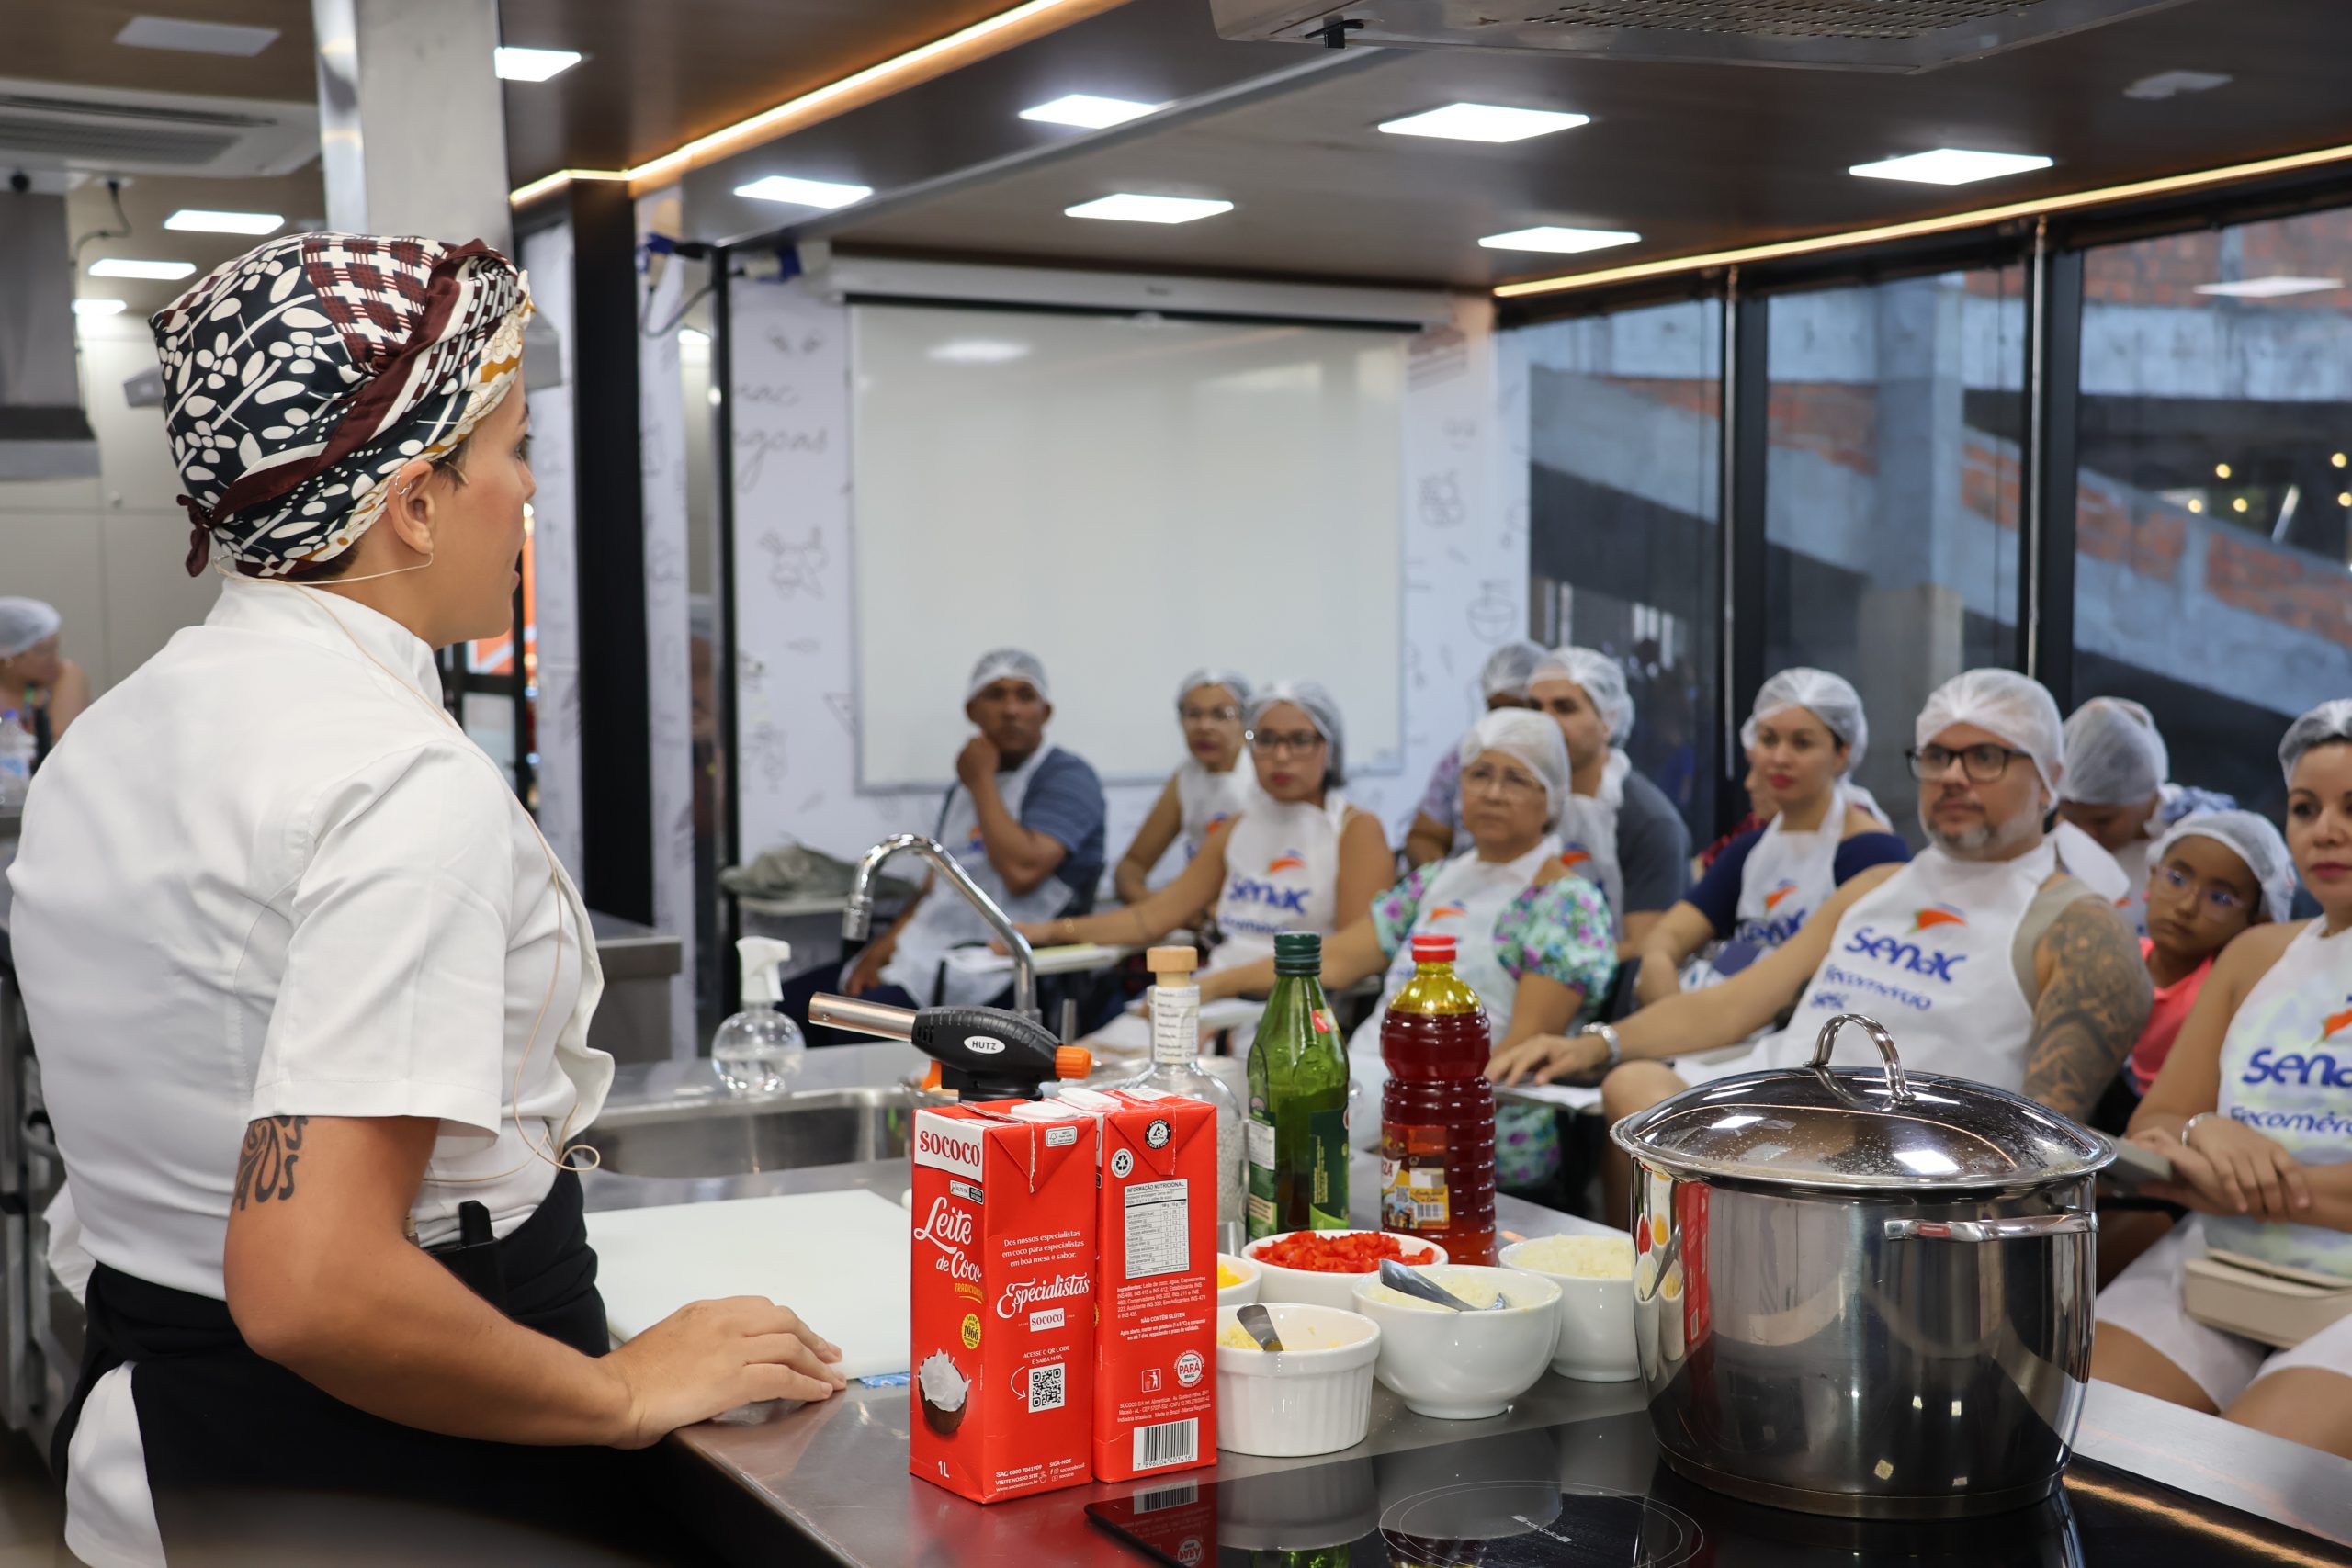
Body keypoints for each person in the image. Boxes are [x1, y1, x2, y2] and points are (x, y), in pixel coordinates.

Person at [7, 234, 844, 1568]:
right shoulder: (394, 778)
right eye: (513, 448)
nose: (523, 491)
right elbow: (314, 1277)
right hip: (388, 1472)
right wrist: (624, 1390)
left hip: (166, 1440)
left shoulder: (107, 740)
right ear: (411, 498)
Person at [1491, 669, 2152, 1223]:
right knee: (1634, 1081)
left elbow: (2045, 1147)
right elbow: (1734, 1004)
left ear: (2049, 778)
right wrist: (1594, 1044)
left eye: (1986, 756)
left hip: (1907, 1176)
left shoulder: (2079, 926)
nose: (1953, 776)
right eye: (1937, 756)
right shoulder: (1877, 883)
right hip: (1770, 1125)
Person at [2089, 702, 2352, 1460]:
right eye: (2306, 807)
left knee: (2237, 1500)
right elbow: (2158, 1124)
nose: (2324, 829)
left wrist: (2244, 1180)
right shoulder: (2256, 956)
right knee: (2079, 1452)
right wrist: (2211, 1132)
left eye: (2351, 806)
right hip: (2217, 1260)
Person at [1199, 709, 1617, 1183]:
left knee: (1280, 1162)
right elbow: (1334, 960)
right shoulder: (1435, 880)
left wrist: (1402, 1122)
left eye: (1517, 779)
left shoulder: (1566, 903)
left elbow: (1520, 1050)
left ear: (1552, 798)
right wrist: (1208, 986)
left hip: (1472, 1128)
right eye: (1480, 774)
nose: (1494, 793)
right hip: (1366, 1089)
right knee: (1237, 1130)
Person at [781, 648, 1105, 1039]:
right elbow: (936, 886)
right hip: (926, 951)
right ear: (972, 712)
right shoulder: (963, 789)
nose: (1011, 710)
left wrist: (982, 781)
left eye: (1024, 696)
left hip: (997, 971)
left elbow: (1023, 872)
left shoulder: (1066, 777)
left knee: (849, 1031)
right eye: (995, 695)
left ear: (1045, 712)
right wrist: (876, 954)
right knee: (789, 1009)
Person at [1023, 681, 1389, 987]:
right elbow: (1149, 919)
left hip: (1293, 1004)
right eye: (1265, 739)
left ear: (1330, 747)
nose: (1280, 756)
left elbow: (1349, 960)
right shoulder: (1239, 827)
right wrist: (1048, 931)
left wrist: (1216, 989)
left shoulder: (1355, 830)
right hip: (1217, 992)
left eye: (1299, 740)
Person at [1633, 669, 1908, 1007]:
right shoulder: (1749, 851)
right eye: (1768, 739)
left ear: (1842, 754)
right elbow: (1669, 935)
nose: (1779, 758)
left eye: (1802, 743)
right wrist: (1660, 974)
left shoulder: (1875, 854)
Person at [1525, 646, 1690, 956]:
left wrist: (1552, 968)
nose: (1545, 723)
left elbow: (1647, 947)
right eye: (1535, 708)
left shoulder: (1648, 821)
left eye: (1565, 708)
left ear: (1608, 721)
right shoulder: (1525, 802)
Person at [2127, 810, 2294, 1099]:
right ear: (2152, 877)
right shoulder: (2119, 956)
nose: (2186, 906)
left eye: (2219, 898)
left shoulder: (2220, 999)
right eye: (2177, 879)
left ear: (2257, 923)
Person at [2059, 697, 2237, 936]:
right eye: (2073, 821)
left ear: (2145, 793)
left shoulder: (2197, 832)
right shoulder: (2061, 844)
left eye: (2103, 820)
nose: (2087, 835)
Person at [1111, 669, 1252, 907]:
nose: (1204, 726)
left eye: (1221, 715)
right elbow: (1131, 866)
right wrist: (1156, 907)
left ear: (1246, 721)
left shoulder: (1263, 777)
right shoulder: (1188, 777)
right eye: (1193, 714)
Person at [1403, 639, 1546, 869]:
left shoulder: (1559, 760)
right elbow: (1425, 836)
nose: (1505, 720)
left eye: (1518, 709)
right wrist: (1442, 880)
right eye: (1496, 709)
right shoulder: (1464, 756)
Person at [0, 596, 90, 766]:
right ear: (8, 657)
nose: (53, 659)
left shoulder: (65, 675)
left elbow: (62, 747)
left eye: (55, 647)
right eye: (43, 651)